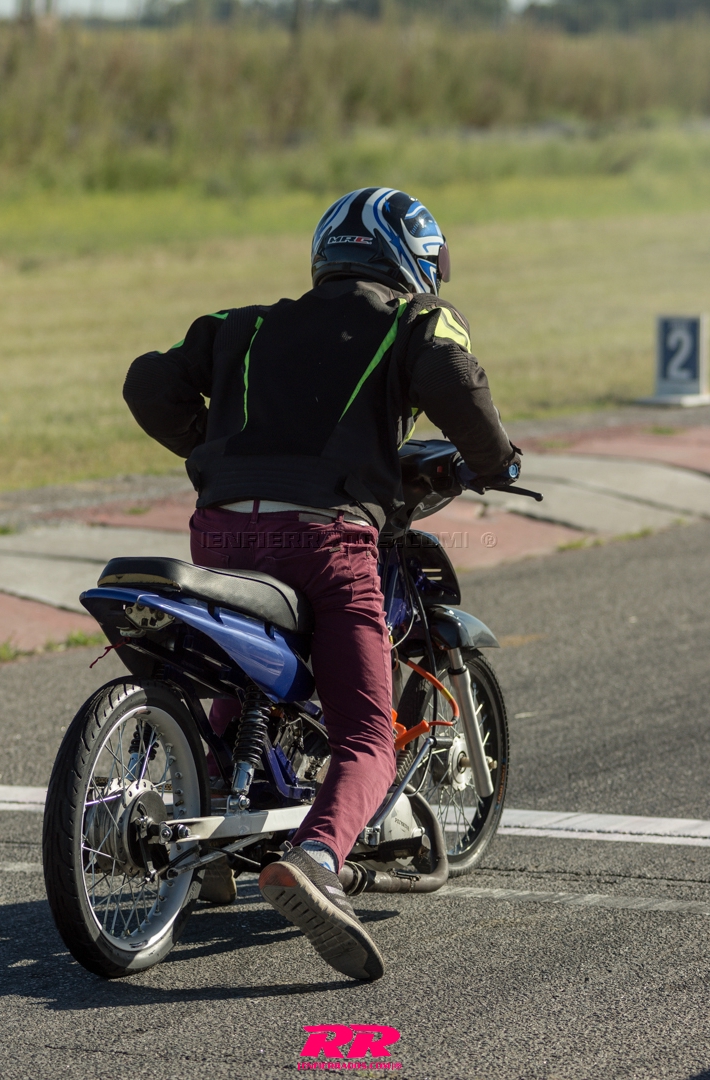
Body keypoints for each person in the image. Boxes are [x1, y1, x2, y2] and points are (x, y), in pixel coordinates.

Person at [123, 186, 519, 982]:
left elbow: (147, 384)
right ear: (411, 259)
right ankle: (316, 857)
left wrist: (218, 448)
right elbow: (453, 375)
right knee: (368, 739)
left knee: (244, 671)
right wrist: (496, 461)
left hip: (220, 531)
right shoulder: (416, 320)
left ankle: (215, 831)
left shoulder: (243, 323)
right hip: (324, 538)